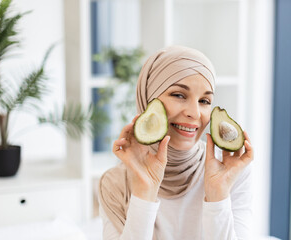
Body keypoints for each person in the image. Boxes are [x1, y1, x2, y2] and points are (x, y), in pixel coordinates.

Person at [98, 45, 254, 240]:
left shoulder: (231, 173)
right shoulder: (114, 183)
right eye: (179, 95)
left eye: (204, 101)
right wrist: (144, 191)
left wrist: (218, 194)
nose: (195, 113)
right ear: (148, 99)